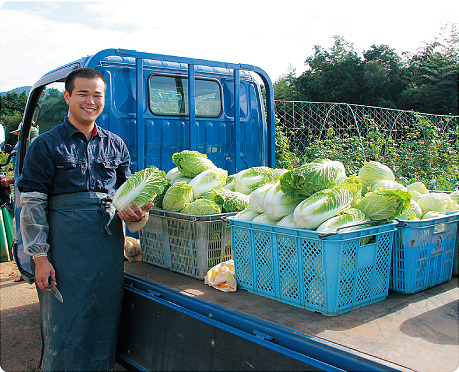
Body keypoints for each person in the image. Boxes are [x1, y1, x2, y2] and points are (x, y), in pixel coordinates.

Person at [17, 68, 151, 372]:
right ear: (67, 96)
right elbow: (32, 205)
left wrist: (137, 215)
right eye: (83, 93)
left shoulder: (115, 145)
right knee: (65, 320)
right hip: (64, 254)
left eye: (97, 95)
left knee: (103, 317)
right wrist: (39, 258)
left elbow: (127, 197)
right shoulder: (46, 145)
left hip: (106, 252)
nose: (90, 101)